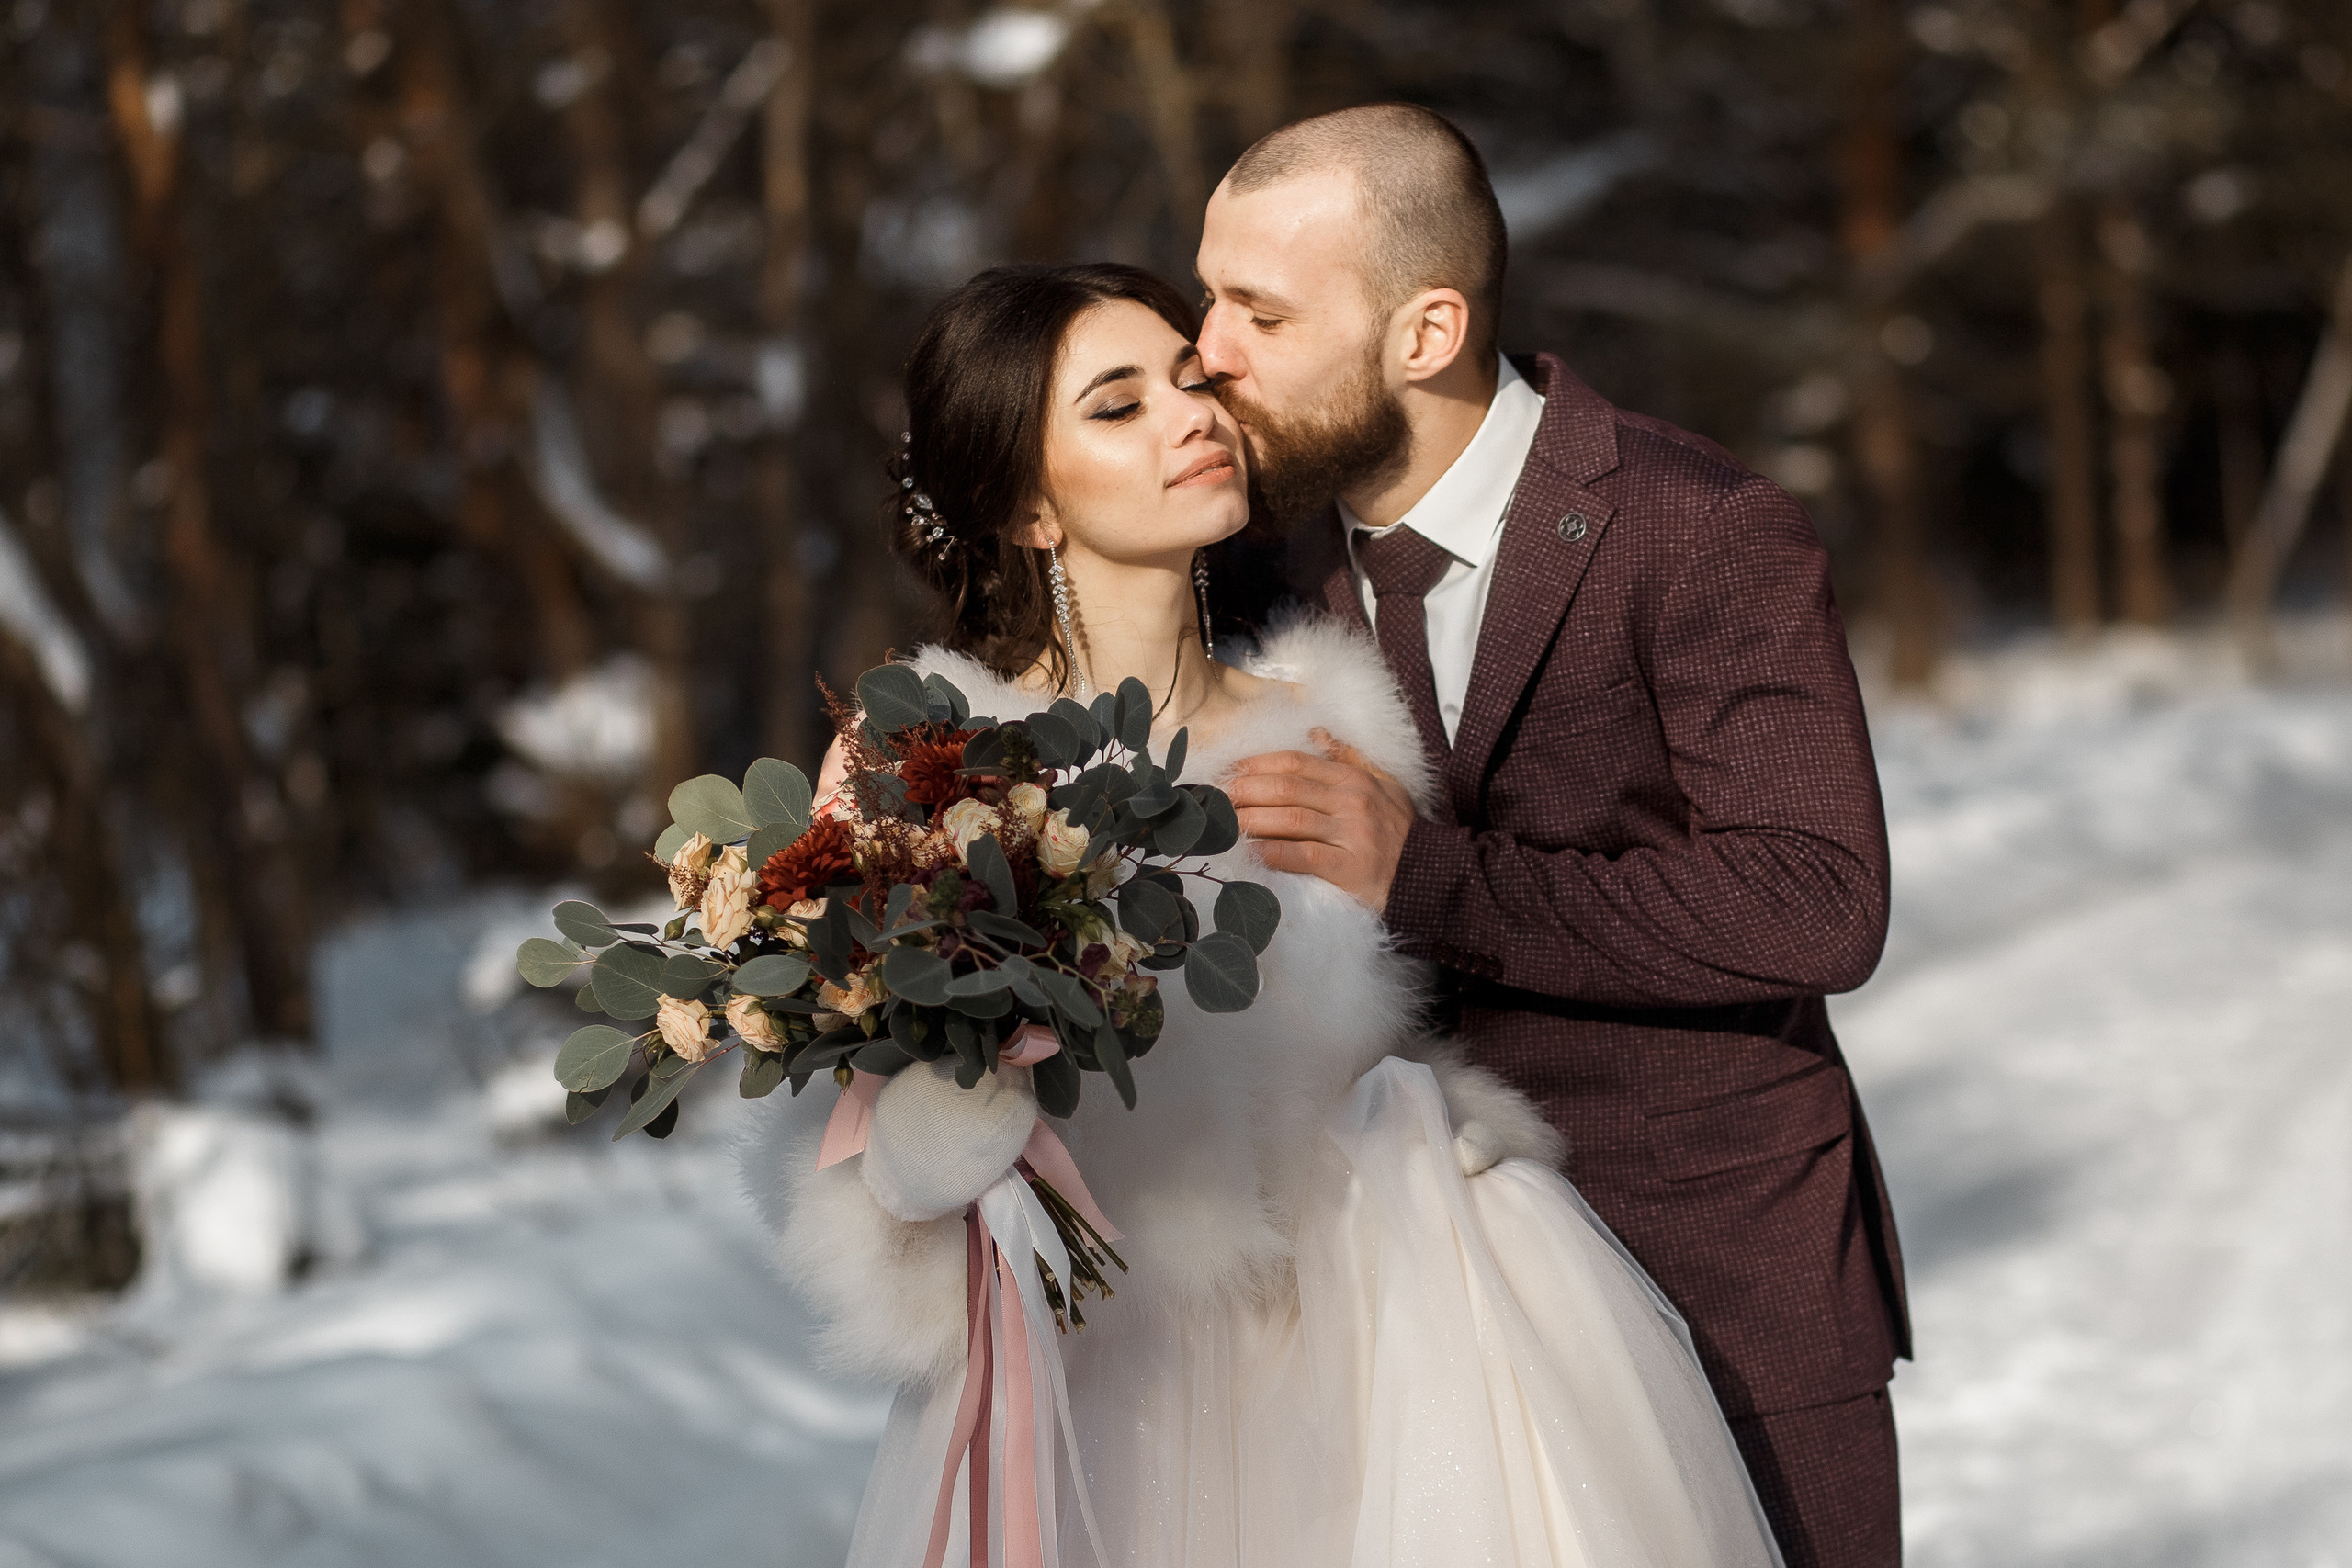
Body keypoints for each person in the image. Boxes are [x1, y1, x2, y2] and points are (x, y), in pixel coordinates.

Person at [751, 262, 1784, 1566]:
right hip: (1111, 1394)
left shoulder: (1341, 724)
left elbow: (1410, 1001)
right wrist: (935, 1136)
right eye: (1118, 406)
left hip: (1399, 1340)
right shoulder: (934, 766)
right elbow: (839, 1167)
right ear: (1027, 506)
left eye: (1192, 379)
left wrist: (1454, 1116)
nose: (1192, 415)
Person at [1204, 105, 1909, 1568]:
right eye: (1210, 298)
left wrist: (1428, 879)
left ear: (1427, 331)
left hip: (1719, 1283)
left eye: (1260, 313)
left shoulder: (1699, 528)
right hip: (1403, 1323)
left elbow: (1819, 900)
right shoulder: (1256, 564)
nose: (1209, 351)